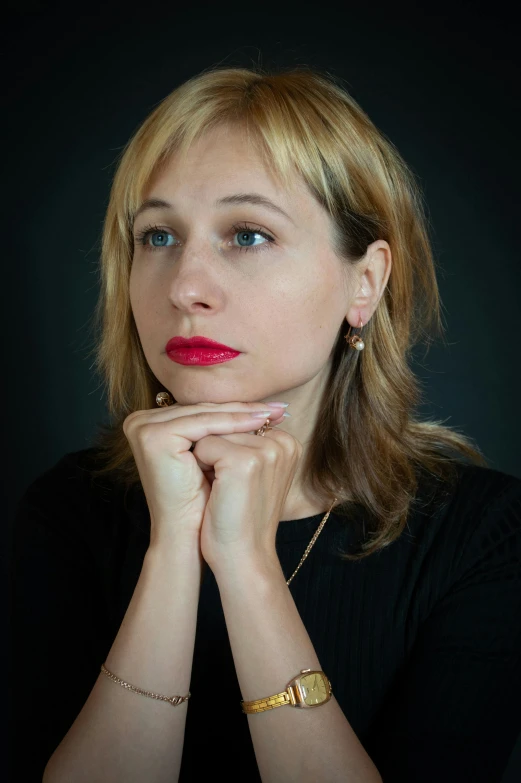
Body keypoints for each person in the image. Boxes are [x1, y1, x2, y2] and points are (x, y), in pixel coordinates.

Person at [9, 64, 521, 783]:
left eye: (247, 235)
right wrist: (171, 555)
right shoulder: (66, 513)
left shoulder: (484, 537)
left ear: (364, 282)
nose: (185, 287)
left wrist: (248, 566)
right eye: (157, 236)